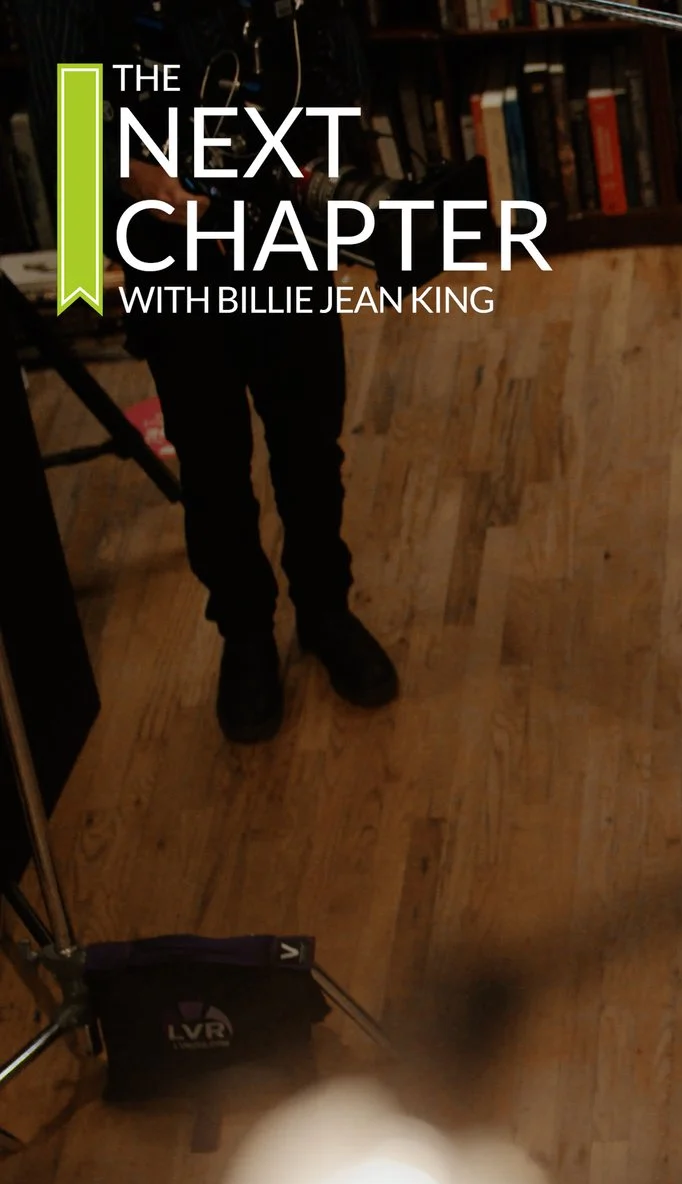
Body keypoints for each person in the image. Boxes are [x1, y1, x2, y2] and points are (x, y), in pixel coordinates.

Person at [89, 0, 399, 743]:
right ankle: (246, 632)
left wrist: (337, 171)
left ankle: (324, 608)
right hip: (163, 238)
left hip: (280, 214)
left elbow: (332, 38)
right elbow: (61, 85)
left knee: (309, 433)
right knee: (209, 454)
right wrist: (123, 180)